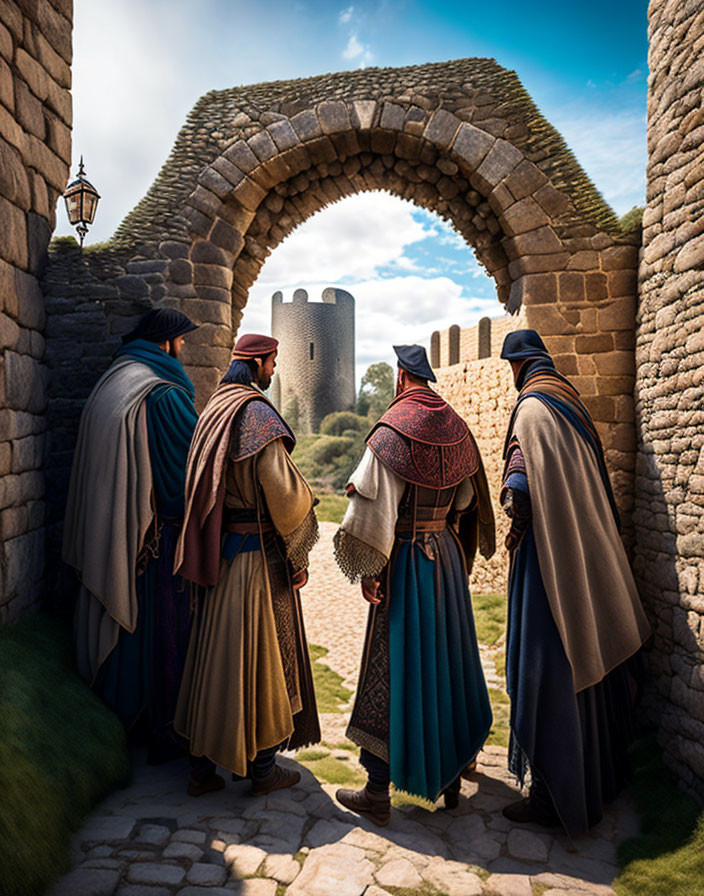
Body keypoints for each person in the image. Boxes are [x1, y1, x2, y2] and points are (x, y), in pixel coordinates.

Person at [333, 345, 495, 825]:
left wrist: (369, 570)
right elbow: (468, 498)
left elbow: (372, 508)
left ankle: (377, 791)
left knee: (392, 664)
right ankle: (451, 774)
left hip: (405, 559)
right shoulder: (457, 426)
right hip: (443, 558)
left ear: (402, 376)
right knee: (447, 660)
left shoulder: (393, 429)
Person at [499, 329, 651, 838]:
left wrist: (513, 525)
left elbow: (519, 487)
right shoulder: (573, 406)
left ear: (518, 367)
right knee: (583, 656)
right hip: (586, 554)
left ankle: (552, 796)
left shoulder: (532, 409)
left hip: (547, 565)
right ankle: (595, 781)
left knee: (542, 672)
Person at [174, 333, 321, 797]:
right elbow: (285, 494)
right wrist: (299, 550)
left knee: (213, 663)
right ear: (257, 363)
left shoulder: (214, 408)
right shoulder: (255, 413)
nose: (274, 370)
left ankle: (200, 769)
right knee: (260, 664)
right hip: (256, 563)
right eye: (272, 362)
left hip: (221, 558)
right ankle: (261, 771)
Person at [63, 307, 199, 762]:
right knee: (162, 634)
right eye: (182, 342)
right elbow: (187, 473)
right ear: (166, 342)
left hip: (120, 533)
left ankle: (123, 719)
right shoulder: (160, 394)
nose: (184, 350)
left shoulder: (117, 378)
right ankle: (164, 730)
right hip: (152, 542)